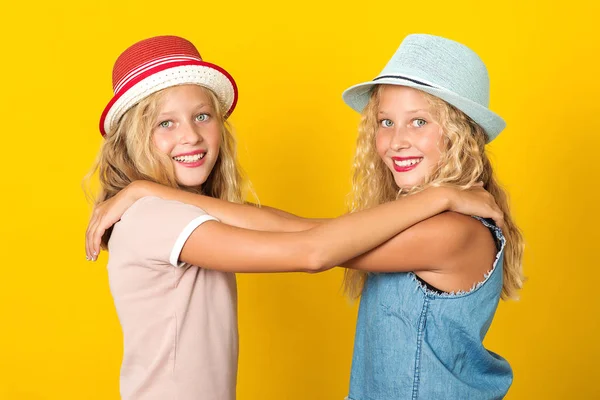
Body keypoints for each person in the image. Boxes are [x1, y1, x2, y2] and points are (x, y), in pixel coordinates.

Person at [85, 35, 503, 400]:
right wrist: (444, 195)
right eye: (386, 122)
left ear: (461, 132)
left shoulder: (453, 232)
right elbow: (316, 241)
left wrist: (148, 191)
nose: (397, 139)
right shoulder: (155, 218)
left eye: (419, 122)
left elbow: (319, 242)